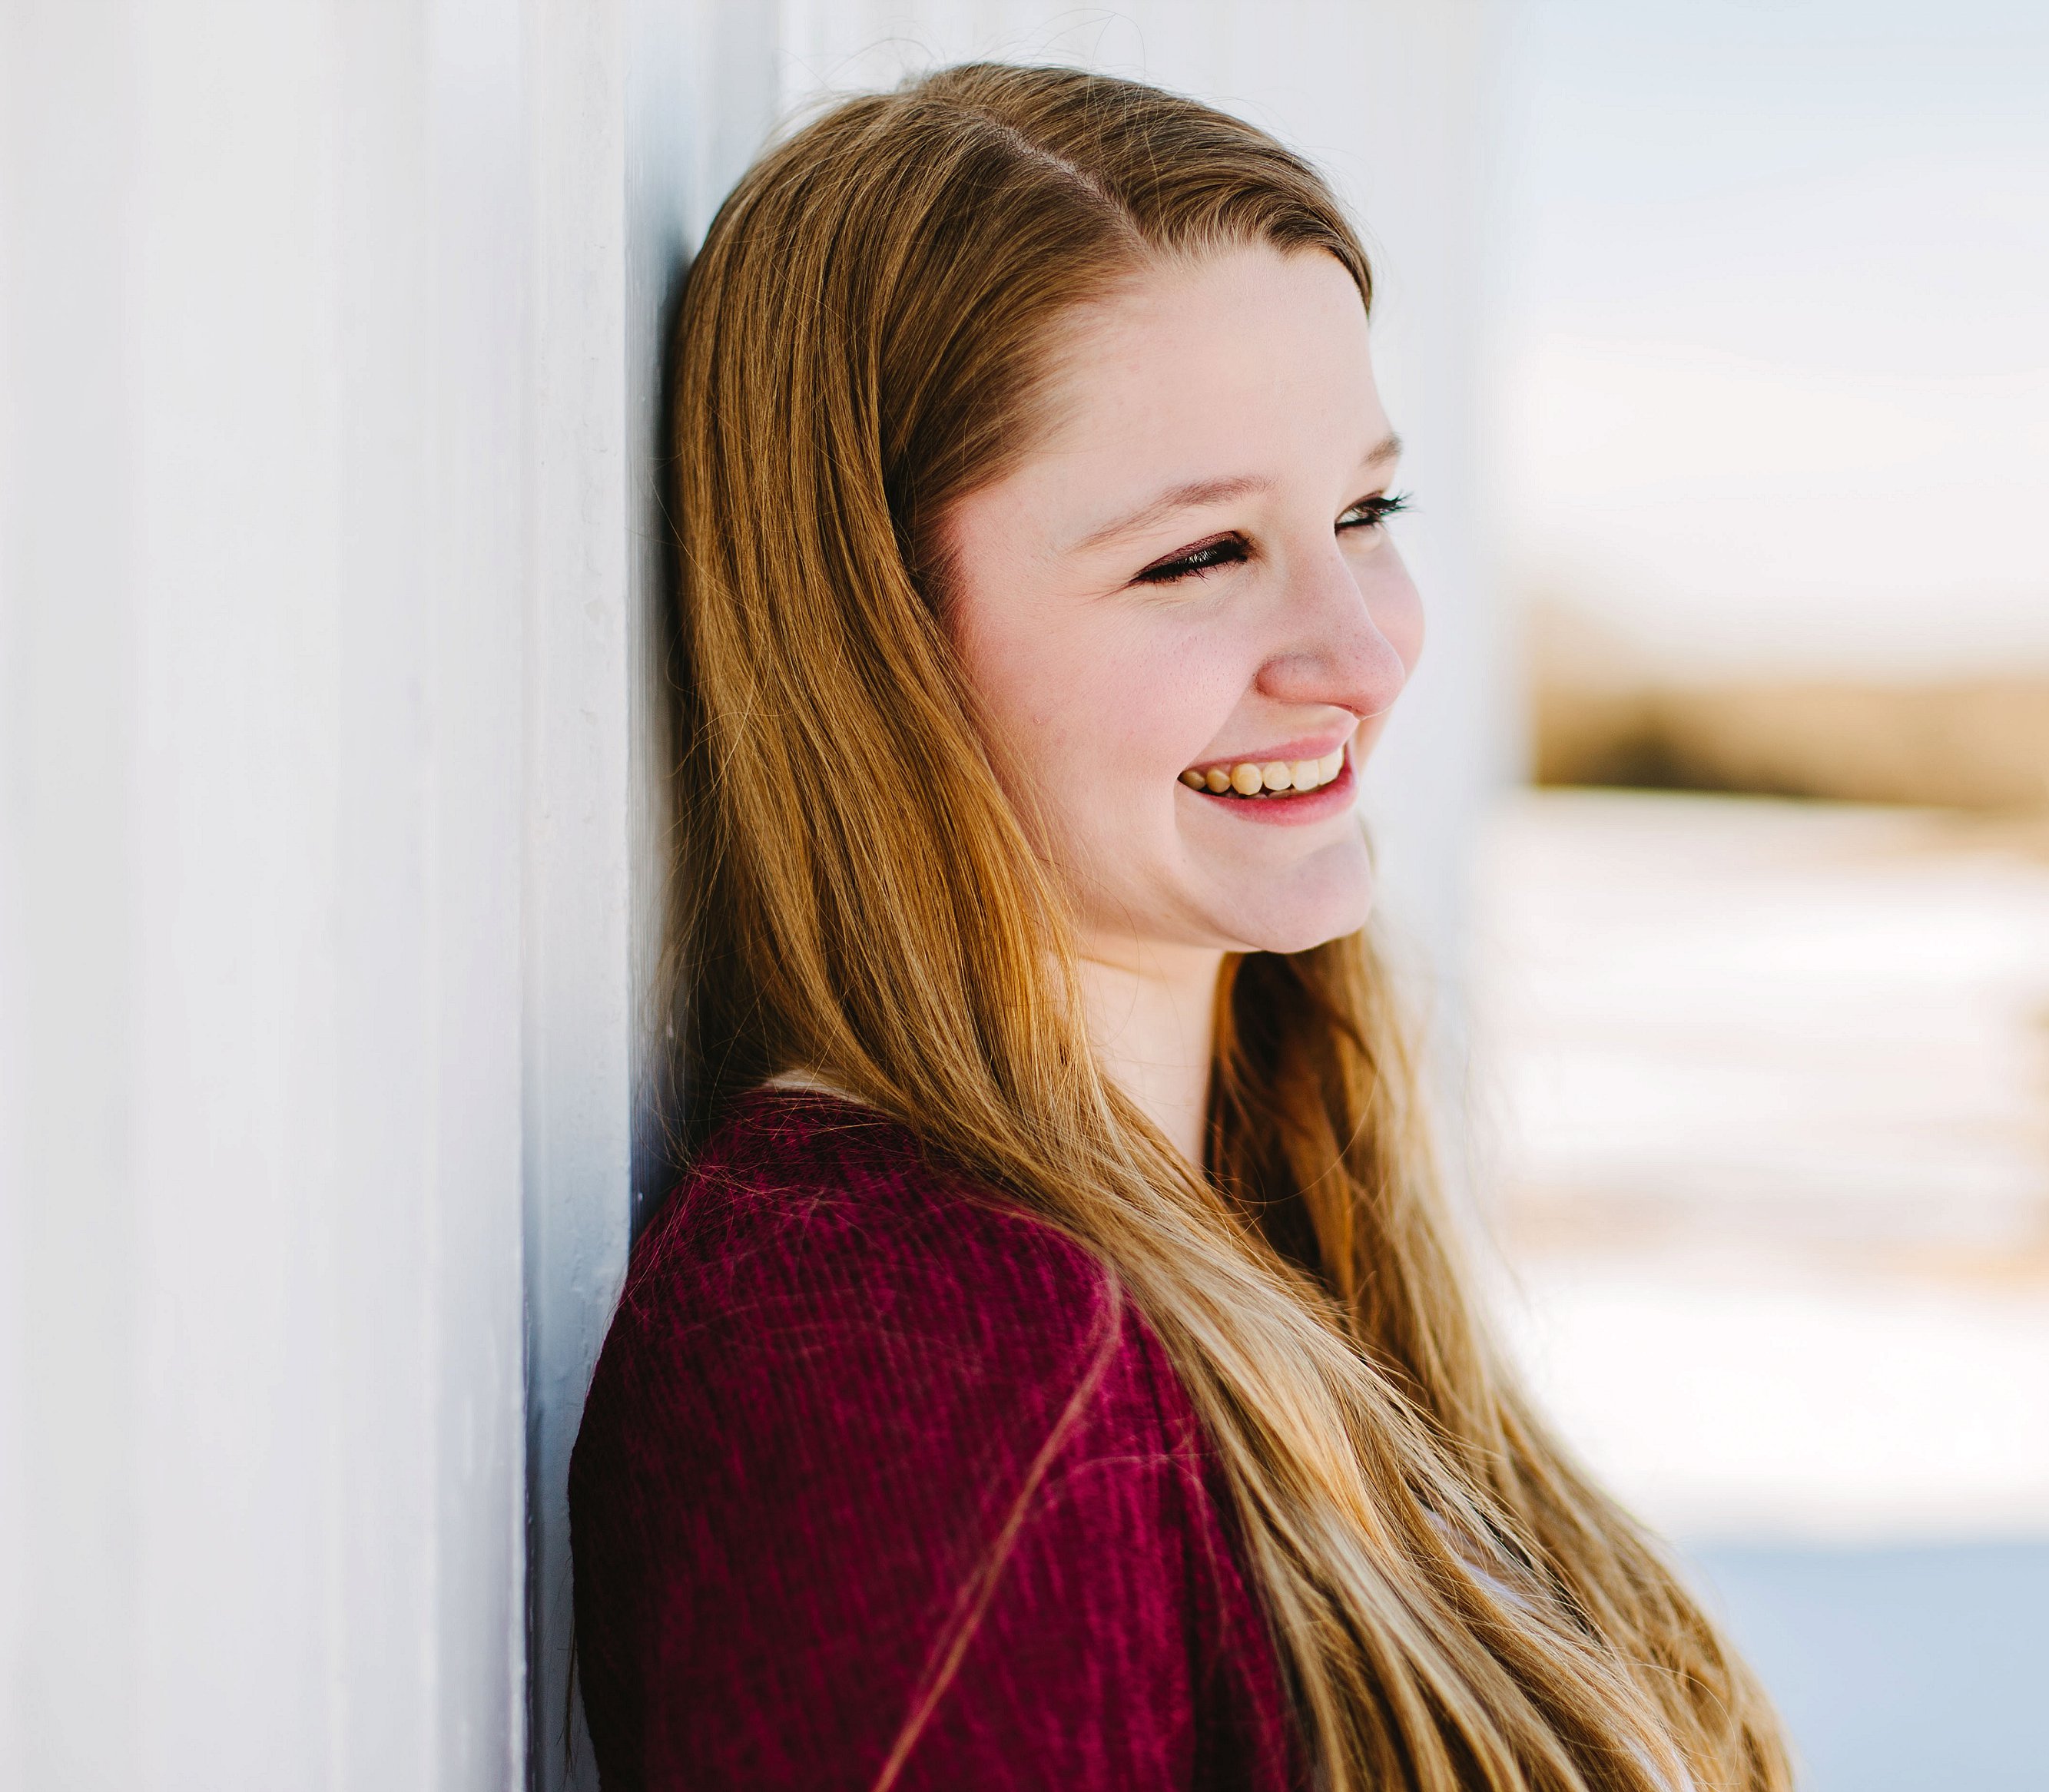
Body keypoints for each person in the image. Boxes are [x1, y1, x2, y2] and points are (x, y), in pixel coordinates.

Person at [569, 62, 1788, 1792]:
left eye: (1365, 514)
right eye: (1201, 554)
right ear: (878, 637)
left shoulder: (1272, 1205)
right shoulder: (928, 1362)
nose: (1360, 652)